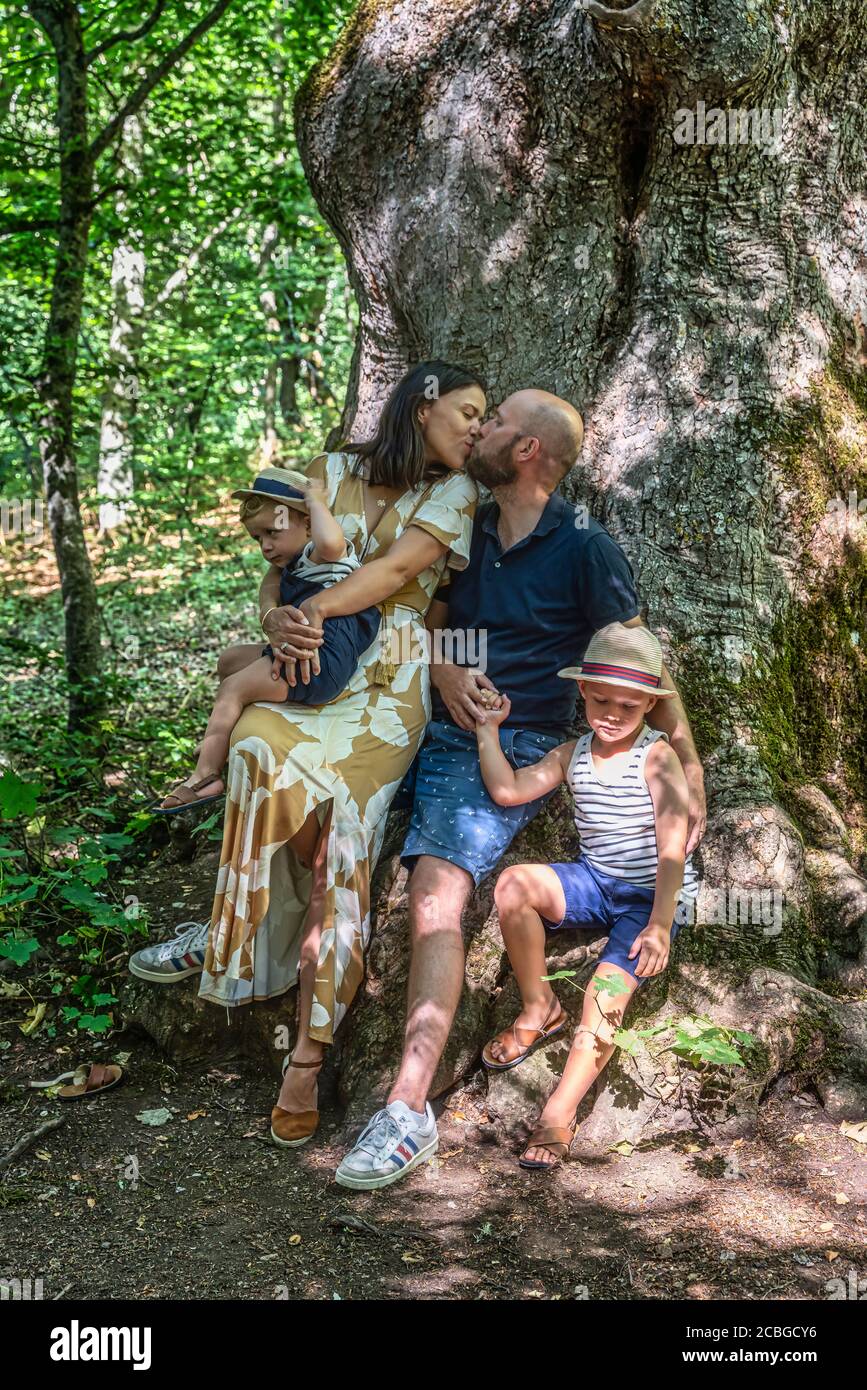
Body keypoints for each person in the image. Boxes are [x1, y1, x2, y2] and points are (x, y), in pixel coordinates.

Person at [335, 389, 707, 1190]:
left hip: (516, 742)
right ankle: (228, 948)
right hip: (411, 711)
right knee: (305, 807)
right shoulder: (464, 521)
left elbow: (635, 658)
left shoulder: (583, 546)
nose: (480, 430)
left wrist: (689, 762)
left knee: (437, 884)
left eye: (496, 422)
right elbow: (428, 618)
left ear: (529, 450)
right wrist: (441, 667)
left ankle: (405, 1110)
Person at [128, 361, 485, 1151]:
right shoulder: (325, 471)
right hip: (304, 661)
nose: (476, 428)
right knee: (254, 748)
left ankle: (308, 1054)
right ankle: (240, 931)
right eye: (466, 411)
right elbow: (273, 570)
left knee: (343, 840)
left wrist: (310, 612)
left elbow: (395, 575)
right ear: (421, 405)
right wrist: (277, 622)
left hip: (387, 681)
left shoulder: (457, 494)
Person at [477, 622, 698, 1169]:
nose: (613, 714)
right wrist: (487, 730)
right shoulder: (572, 752)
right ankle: (538, 1007)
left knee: (605, 992)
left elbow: (673, 845)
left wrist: (662, 923)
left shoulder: (656, 756)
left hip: (652, 897)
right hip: (596, 879)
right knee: (513, 885)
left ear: (650, 704)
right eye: (601, 700)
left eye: (629, 705)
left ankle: (559, 1112)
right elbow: (508, 790)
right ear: (582, 692)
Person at [155, 468, 381, 813]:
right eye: (257, 538)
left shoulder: (322, 556)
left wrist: (316, 501)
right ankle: (223, 736)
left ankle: (206, 776)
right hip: (304, 655)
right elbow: (269, 586)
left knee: (234, 687)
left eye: (273, 532)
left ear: (308, 524)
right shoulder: (292, 563)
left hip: (320, 663)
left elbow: (331, 541)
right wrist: (268, 612)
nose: (265, 546)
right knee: (230, 661)